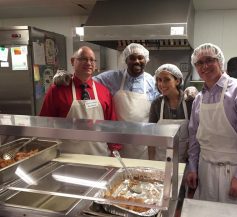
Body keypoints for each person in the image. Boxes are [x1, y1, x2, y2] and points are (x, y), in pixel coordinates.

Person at [54, 43, 198, 159]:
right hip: (119, 143)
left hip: (143, 144)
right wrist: (65, 75)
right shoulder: (111, 77)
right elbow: (85, 79)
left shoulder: (152, 81)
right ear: (126, 60)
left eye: (140, 58)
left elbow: (169, 92)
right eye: (132, 58)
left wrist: (189, 89)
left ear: (146, 60)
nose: (136, 61)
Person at [186, 43, 237, 206]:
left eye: (209, 60)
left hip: (234, 171)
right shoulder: (199, 99)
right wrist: (192, 167)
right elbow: (194, 137)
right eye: (199, 63)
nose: (204, 66)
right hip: (206, 170)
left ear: (220, 62)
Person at [40, 46, 121, 155]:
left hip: (99, 155)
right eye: (83, 59)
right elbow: (45, 122)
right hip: (67, 156)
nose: (89, 63)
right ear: (73, 61)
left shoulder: (104, 92)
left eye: (92, 60)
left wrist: (114, 149)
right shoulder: (57, 90)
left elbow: (112, 124)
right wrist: (46, 152)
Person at [148, 64, 194, 162]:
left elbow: (194, 135)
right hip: (161, 160)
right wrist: (151, 162)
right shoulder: (157, 104)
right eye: (159, 80)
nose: (162, 84)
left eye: (166, 80)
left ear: (177, 80)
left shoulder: (189, 102)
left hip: (184, 162)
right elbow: (151, 135)